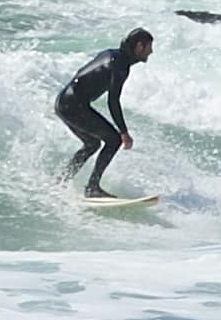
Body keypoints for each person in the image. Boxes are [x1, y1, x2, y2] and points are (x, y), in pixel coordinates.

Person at [56, 28, 153, 196]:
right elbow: (113, 101)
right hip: (73, 105)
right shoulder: (120, 65)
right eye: (149, 47)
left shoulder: (112, 54)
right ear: (139, 46)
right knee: (114, 140)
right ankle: (92, 188)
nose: (151, 51)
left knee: (92, 144)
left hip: (64, 102)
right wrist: (124, 132)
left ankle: (62, 180)